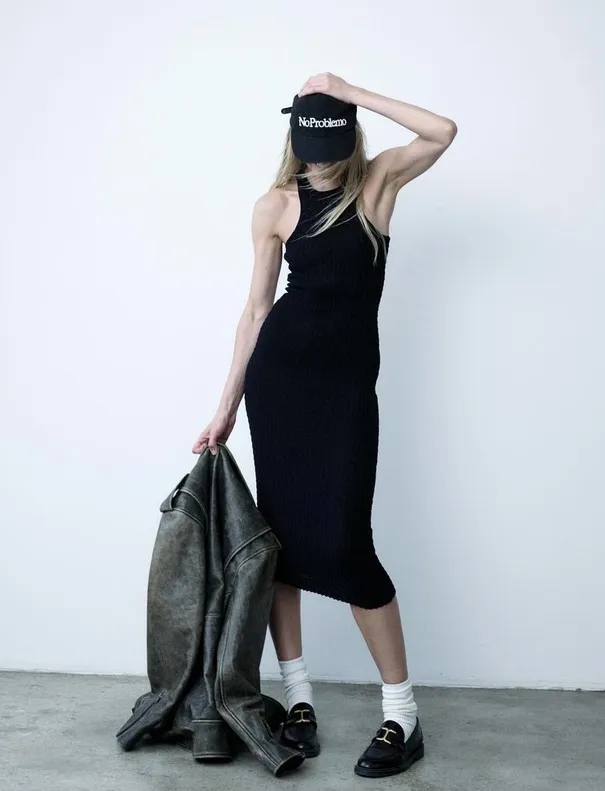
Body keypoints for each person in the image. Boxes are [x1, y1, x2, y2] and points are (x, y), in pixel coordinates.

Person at [193, 72, 457, 778]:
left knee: (344, 545)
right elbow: (255, 310)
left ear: (349, 136)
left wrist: (351, 91)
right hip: (278, 385)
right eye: (312, 144)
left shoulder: (377, 185)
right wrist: (225, 406)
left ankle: (402, 713)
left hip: (343, 395)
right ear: (294, 140)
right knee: (279, 543)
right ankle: (298, 699)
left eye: (334, 142)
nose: (323, 159)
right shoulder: (274, 204)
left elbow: (441, 131)